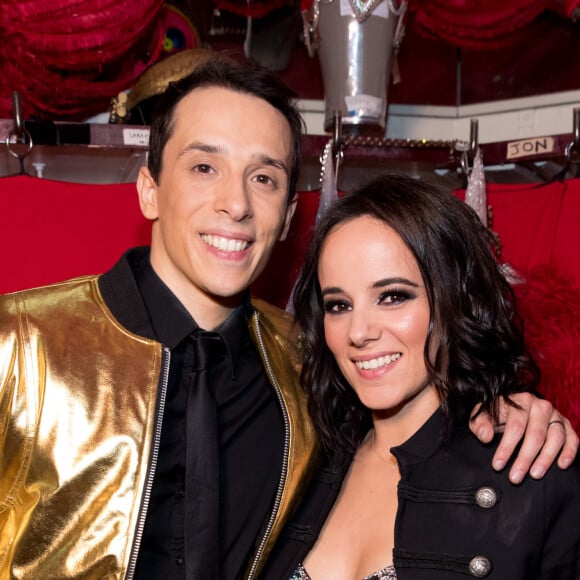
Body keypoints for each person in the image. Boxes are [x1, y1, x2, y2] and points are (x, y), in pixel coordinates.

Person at [0, 57, 576, 580]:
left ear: (288, 213)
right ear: (149, 190)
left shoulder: (307, 366)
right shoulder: (21, 345)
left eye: (265, 177)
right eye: (204, 166)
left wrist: (513, 406)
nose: (237, 203)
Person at [261, 173, 580, 579]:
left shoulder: (534, 473)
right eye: (339, 305)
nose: (359, 332)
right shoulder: (296, 461)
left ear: (453, 300)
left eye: (392, 296)